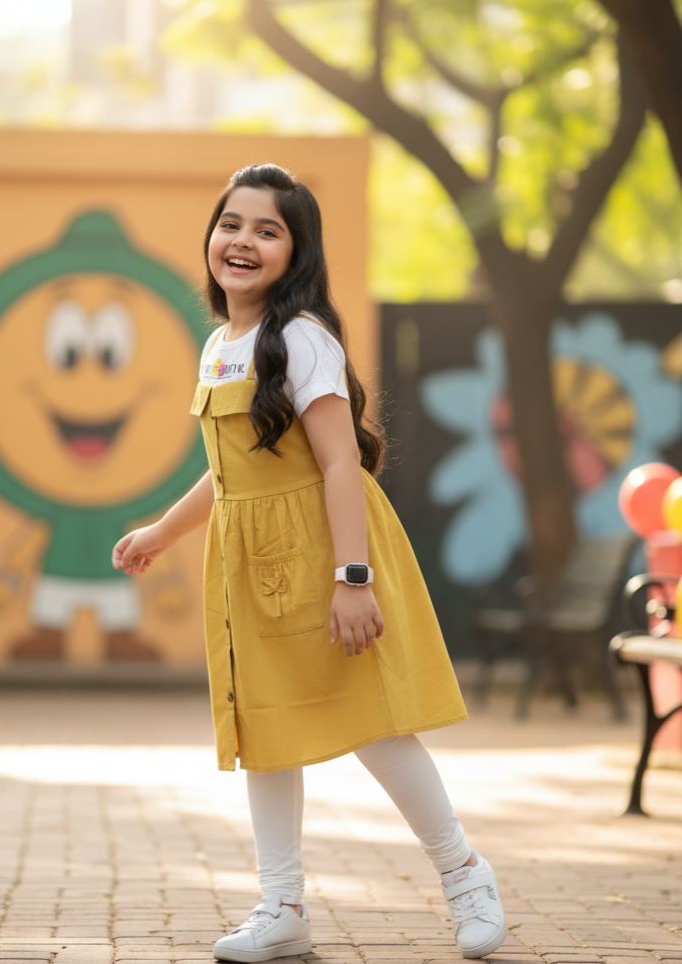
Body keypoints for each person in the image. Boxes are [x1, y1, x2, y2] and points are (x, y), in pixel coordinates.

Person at [112, 163, 507, 964]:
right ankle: (282, 905)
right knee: (268, 733)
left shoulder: (301, 338)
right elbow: (230, 472)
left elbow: (336, 463)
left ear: (298, 251)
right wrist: (166, 528)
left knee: (374, 724)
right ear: (211, 237)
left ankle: (467, 876)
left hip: (326, 551)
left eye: (268, 229)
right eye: (232, 223)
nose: (244, 240)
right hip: (248, 563)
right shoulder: (220, 344)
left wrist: (351, 579)